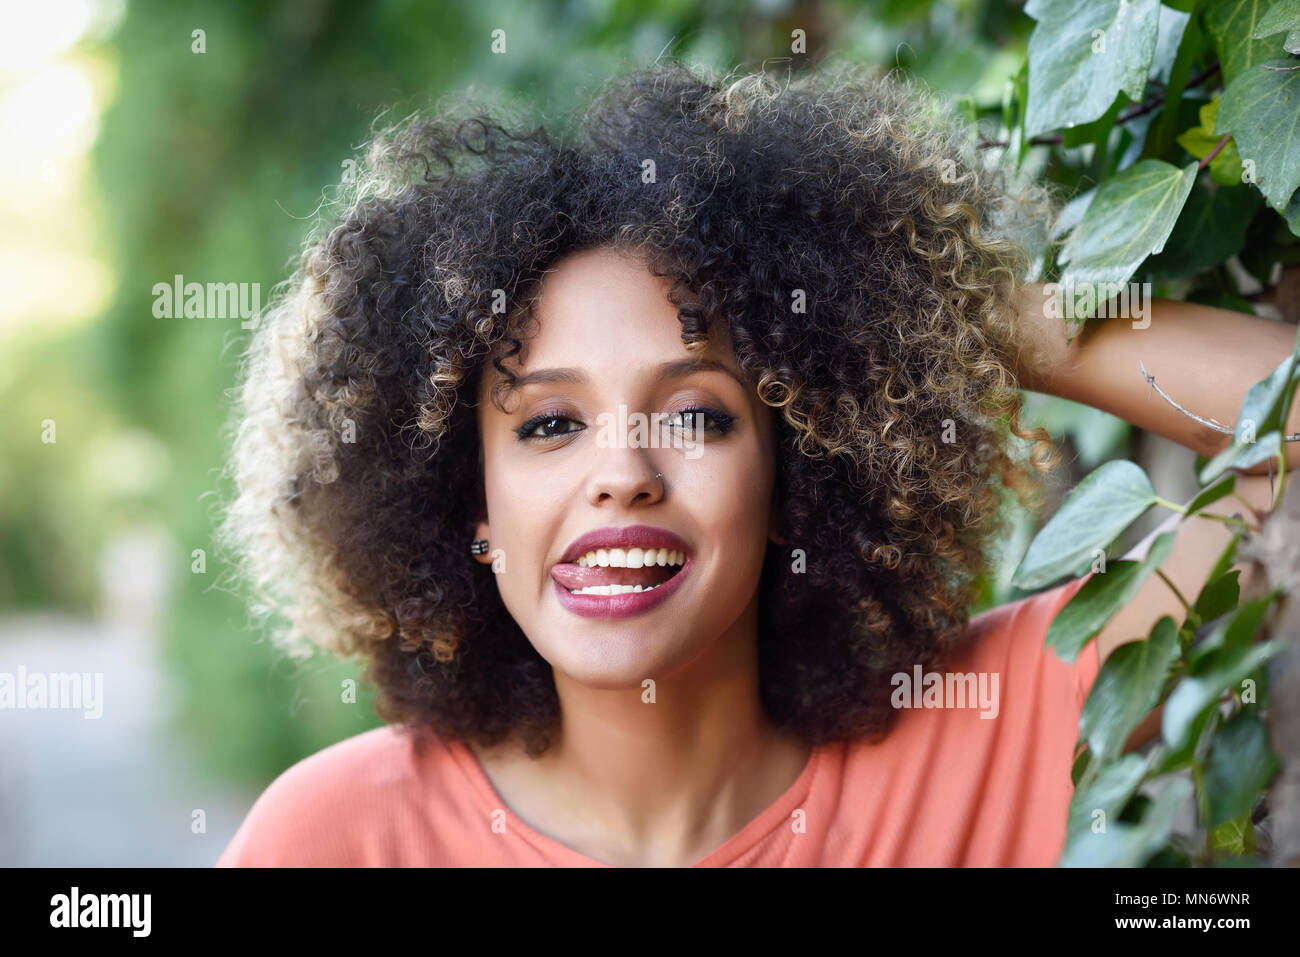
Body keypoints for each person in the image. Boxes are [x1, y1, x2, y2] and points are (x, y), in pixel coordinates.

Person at [214, 60, 1293, 867]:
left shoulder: (994, 727)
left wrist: (929, 316)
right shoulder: (337, 839)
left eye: (697, 414)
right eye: (548, 425)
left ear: (794, 479)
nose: (622, 471)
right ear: (471, 506)